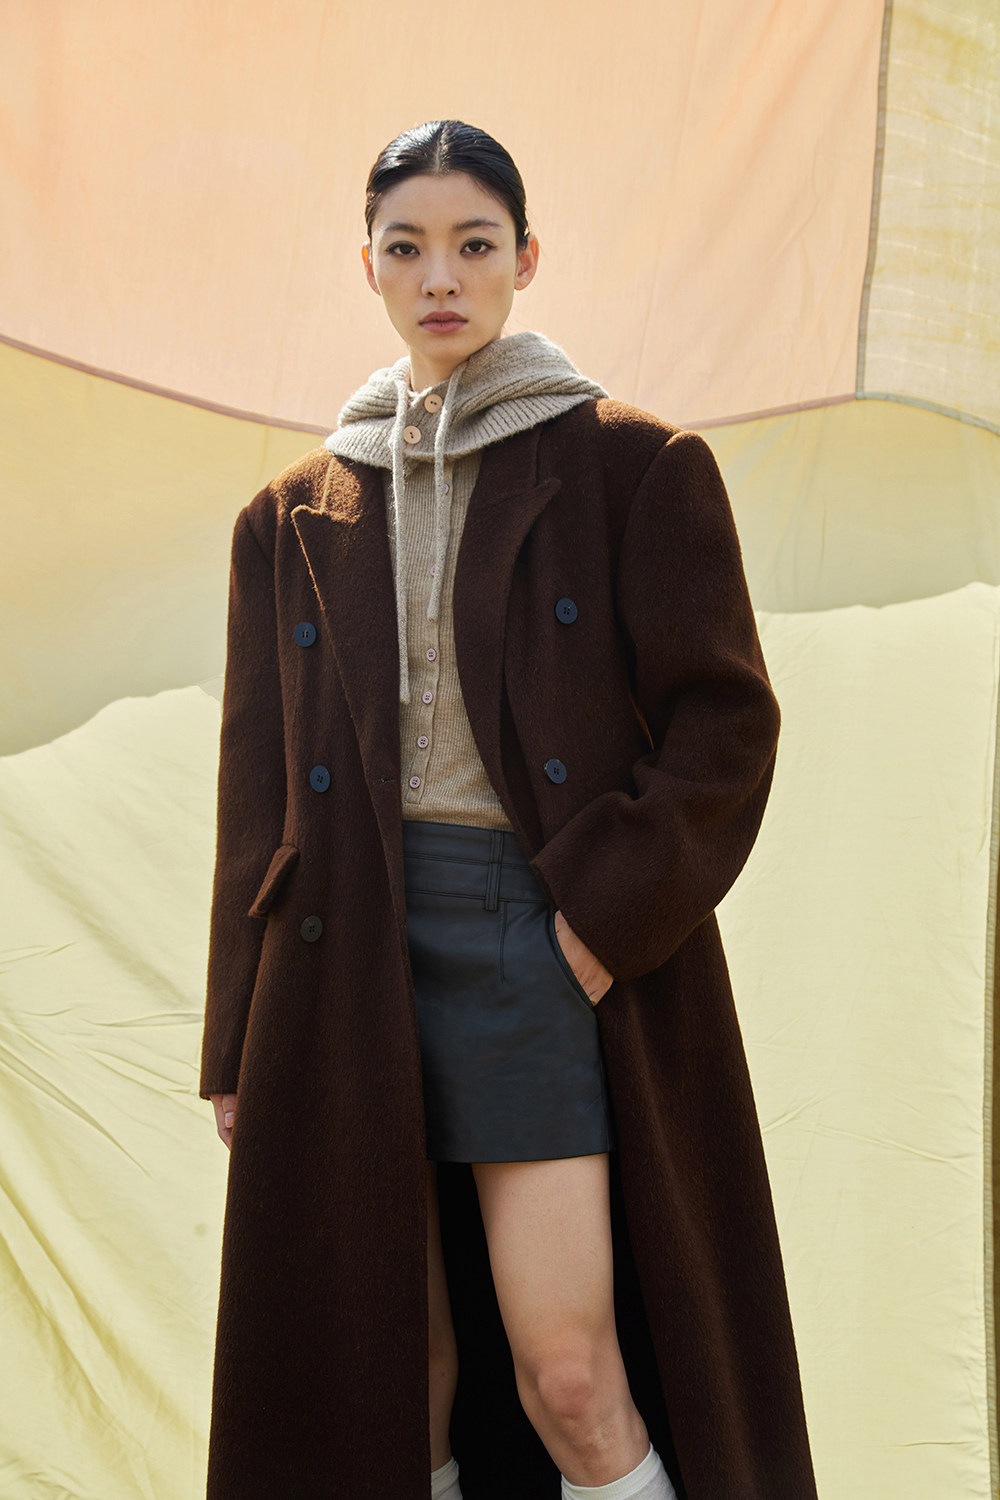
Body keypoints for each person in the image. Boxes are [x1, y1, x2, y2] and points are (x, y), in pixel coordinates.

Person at [200, 120, 817, 1500]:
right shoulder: (289, 514)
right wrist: (238, 1031)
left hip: (531, 938)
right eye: (407, 247)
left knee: (571, 1378)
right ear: (366, 265)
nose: (441, 276)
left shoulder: (633, 465)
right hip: (339, 960)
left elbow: (727, 727)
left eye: (474, 244)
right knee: (390, 1384)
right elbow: (257, 796)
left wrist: (597, 920)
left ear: (526, 258)